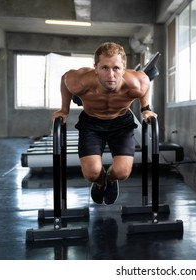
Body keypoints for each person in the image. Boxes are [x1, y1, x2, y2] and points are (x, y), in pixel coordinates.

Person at [53, 42, 157, 205]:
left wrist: (146, 108)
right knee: (91, 174)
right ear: (95, 67)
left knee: (122, 172)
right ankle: (100, 182)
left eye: (116, 68)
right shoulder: (80, 81)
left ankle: (110, 179)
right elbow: (65, 81)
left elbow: (145, 85)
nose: (111, 74)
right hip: (92, 124)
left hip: (121, 124)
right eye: (104, 68)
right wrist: (64, 110)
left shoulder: (136, 82)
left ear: (124, 67)